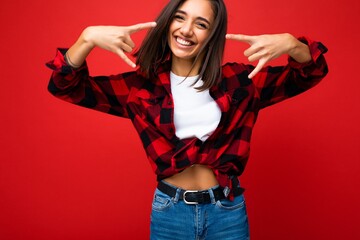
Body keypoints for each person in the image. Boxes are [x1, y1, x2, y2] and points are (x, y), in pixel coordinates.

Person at [46, 0, 328, 239]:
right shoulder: (140, 86)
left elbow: (310, 72)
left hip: (227, 212)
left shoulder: (239, 81)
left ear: (212, 34)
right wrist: (87, 38)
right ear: (168, 22)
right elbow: (65, 86)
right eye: (180, 18)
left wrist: (292, 44)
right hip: (170, 213)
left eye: (201, 24)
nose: (186, 30)